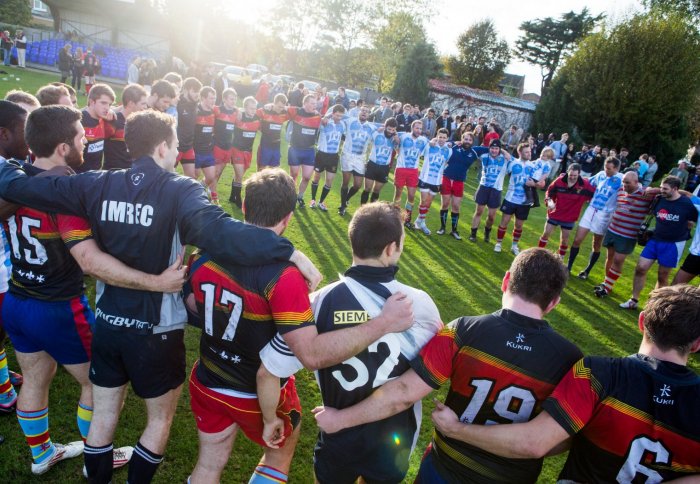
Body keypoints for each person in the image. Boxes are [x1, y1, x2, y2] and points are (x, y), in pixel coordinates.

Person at [0, 109, 321, 484]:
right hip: (158, 330)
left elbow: (18, 186)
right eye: (177, 145)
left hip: (108, 322)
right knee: (159, 419)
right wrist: (287, 250)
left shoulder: (95, 183)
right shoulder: (181, 188)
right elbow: (222, 233)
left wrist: (7, 164)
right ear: (164, 146)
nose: (178, 152)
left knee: (103, 418)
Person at [187, 172, 413, 483]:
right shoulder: (284, 275)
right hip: (257, 390)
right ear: (289, 217)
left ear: (242, 203)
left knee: (209, 465)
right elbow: (310, 354)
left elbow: (191, 303)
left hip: (208, 378)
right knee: (279, 453)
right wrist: (384, 322)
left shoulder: (204, 254)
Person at [2, 105, 184, 475]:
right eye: (81, 135)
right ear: (64, 147)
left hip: (18, 300)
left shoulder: (15, 181)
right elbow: (89, 261)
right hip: (59, 307)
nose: (88, 138)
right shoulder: (64, 192)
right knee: (100, 390)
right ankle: (94, 460)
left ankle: (41, 455)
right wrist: (155, 282)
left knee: (36, 380)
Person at [313, 248, 582, 483]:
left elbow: (404, 393)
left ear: (506, 281)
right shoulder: (572, 360)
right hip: (512, 477)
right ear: (554, 302)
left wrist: (341, 419)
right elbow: (561, 439)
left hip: (445, 469)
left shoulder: (463, 330)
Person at [440, 284, 700, 483]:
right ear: (697, 343)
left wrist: (456, 430)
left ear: (642, 321)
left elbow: (535, 442)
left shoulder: (599, 374)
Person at [259, 202, 442, 484]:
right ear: (391, 248)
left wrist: (270, 417)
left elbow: (269, 370)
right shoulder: (419, 304)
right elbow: (429, 372)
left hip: (337, 438)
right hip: (392, 443)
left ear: (352, 240)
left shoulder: (317, 303)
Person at [620, 176, 698, 309]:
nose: (662, 190)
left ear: (675, 189)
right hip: (655, 239)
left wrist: (686, 227)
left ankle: (654, 304)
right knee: (641, 268)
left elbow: (692, 221)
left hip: (673, 244)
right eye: (661, 187)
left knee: (662, 275)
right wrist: (652, 189)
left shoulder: (687, 204)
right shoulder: (659, 199)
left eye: (665, 189)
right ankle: (634, 300)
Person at [594, 171, 658, 297]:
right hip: (613, 230)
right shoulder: (620, 191)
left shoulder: (645, 194)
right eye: (623, 181)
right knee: (610, 257)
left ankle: (606, 287)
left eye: (627, 182)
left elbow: (664, 191)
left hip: (628, 234)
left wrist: (652, 189)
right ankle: (607, 283)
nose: (624, 185)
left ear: (636, 182)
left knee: (618, 260)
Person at [567, 157, 623, 278]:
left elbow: (635, 186)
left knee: (596, 243)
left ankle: (587, 270)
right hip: (591, 209)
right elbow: (587, 181)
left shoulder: (621, 179)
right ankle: (568, 267)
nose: (606, 170)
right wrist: (571, 177)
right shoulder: (601, 174)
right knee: (577, 240)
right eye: (605, 167)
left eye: (609, 168)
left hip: (605, 215)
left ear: (616, 168)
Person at [437, 131, 488, 239]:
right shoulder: (454, 145)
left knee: (456, 206)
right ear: (462, 139)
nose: (467, 141)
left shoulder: (475, 151)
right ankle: (442, 227)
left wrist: (503, 151)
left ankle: (454, 230)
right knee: (445, 204)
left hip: (459, 181)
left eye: (470, 140)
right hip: (446, 178)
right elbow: (441, 141)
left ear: (472, 141)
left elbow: (491, 148)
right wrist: (452, 141)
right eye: (465, 139)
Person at [493, 143, 543, 255]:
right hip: (510, 199)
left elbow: (541, 184)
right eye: (526, 152)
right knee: (504, 222)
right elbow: (503, 166)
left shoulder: (534, 166)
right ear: (520, 152)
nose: (529, 154)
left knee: (519, 225)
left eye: (530, 152)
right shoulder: (513, 163)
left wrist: (534, 184)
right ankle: (499, 243)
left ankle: (514, 246)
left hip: (525, 202)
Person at [538, 163, 595, 259]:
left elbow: (595, 195)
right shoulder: (559, 181)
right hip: (555, 213)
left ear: (579, 174)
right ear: (567, 172)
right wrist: (549, 202)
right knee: (545, 234)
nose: (572, 177)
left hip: (570, 217)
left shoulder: (585, 185)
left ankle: (561, 258)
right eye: (571, 175)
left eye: (575, 176)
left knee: (565, 239)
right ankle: (538, 254)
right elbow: (549, 192)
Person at [469, 139, 511, 242]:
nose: (494, 151)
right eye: (492, 148)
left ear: (499, 149)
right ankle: (473, 234)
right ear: (489, 148)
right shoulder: (484, 155)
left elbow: (510, 157)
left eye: (496, 148)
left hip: (496, 189)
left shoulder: (504, 158)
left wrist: (503, 151)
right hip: (483, 187)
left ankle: (487, 232)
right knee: (479, 211)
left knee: (491, 216)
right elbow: (473, 149)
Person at [338, 106, 377, 216]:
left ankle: (346, 199)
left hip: (360, 159)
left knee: (357, 185)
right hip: (347, 155)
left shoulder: (371, 127)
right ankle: (342, 206)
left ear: (369, 115)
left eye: (367, 111)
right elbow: (337, 113)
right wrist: (326, 117)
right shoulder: (350, 120)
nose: (364, 112)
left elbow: (383, 129)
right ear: (359, 112)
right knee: (345, 182)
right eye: (363, 110)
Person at [414, 129, 452, 235]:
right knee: (424, 201)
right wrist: (431, 141)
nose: (442, 139)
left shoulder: (449, 150)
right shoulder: (429, 145)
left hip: (436, 181)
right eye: (440, 137)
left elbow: (447, 163)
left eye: (444, 137)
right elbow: (420, 146)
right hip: (425, 178)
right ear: (437, 136)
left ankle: (419, 221)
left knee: (429, 203)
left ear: (447, 139)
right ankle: (423, 223)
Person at [287, 94, 322, 207]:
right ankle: (290, 196)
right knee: (294, 175)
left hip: (309, 151)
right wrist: (269, 106)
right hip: (295, 149)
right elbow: (281, 108)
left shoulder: (318, 116)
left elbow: (331, 118)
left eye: (316, 104)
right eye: (312, 103)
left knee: (307, 177)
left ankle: (300, 197)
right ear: (305, 103)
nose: (314, 106)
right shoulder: (296, 111)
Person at [103, 84, 148, 170]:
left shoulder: (139, 122)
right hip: (113, 175)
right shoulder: (113, 120)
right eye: (143, 104)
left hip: (132, 173)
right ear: (131, 103)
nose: (145, 107)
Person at [394, 119, 429, 228]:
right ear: (412, 128)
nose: (419, 130)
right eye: (417, 128)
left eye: (420, 128)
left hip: (413, 171)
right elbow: (390, 131)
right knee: (398, 194)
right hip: (401, 168)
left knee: (412, 195)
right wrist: (395, 138)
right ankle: (396, 218)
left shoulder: (423, 140)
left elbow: (434, 144)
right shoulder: (403, 135)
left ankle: (407, 219)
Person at [311, 104, 346, 211]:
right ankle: (313, 200)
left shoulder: (343, 124)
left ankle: (321, 202)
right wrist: (327, 117)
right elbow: (318, 121)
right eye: (337, 115)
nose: (338, 118)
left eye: (341, 116)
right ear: (333, 113)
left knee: (329, 180)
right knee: (316, 177)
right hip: (321, 154)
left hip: (333, 156)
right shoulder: (325, 122)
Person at [228, 96, 261, 207]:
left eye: (254, 108)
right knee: (240, 174)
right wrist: (238, 111)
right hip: (237, 149)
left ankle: (232, 196)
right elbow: (230, 110)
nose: (253, 111)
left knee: (239, 175)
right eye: (251, 108)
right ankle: (238, 199)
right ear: (245, 108)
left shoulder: (257, 118)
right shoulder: (239, 117)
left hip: (249, 151)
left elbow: (266, 111)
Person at [361, 117, 398, 206]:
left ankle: (371, 211)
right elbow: (367, 123)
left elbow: (399, 148)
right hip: (372, 165)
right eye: (389, 129)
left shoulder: (395, 138)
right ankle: (362, 209)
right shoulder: (377, 133)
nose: (391, 131)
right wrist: (379, 127)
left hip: (384, 167)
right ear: (385, 126)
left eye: (393, 130)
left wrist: (397, 141)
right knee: (367, 188)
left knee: (377, 190)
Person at [78, 84, 115, 173]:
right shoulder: (79, 121)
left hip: (96, 174)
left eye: (109, 104)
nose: (107, 108)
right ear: (92, 102)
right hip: (78, 176)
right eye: (103, 103)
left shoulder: (104, 119)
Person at [176, 77, 203, 175]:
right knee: (167, 176)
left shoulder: (196, 105)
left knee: (192, 177)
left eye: (198, 92)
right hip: (176, 147)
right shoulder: (177, 103)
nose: (197, 94)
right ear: (186, 90)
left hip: (188, 146)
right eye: (195, 91)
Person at [256, 93, 290, 170]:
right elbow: (253, 115)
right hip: (265, 145)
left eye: (282, 107)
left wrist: (286, 108)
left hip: (276, 147)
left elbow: (295, 111)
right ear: (274, 103)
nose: (280, 109)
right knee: (261, 170)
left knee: (274, 171)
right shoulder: (265, 111)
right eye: (279, 106)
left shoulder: (284, 113)